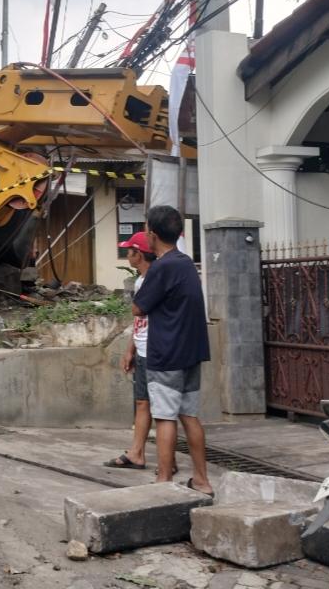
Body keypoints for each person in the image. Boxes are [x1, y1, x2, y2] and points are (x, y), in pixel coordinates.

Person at [133, 205, 213, 496]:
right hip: (192, 352)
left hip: (166, 353)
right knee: (189, 416)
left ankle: (164, 481)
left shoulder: (162, 267)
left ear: (152, 235)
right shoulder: (186, 263)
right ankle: (202, 481)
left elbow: (138, 307)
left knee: (165, 417)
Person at [104, 232, 158, 471]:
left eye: (130, 251)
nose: (127, 255)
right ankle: (137, 452)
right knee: (142, 402)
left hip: (155, 351)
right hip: (143, 348)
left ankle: (164, 459)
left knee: (161, 408)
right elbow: (139, 322)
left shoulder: (154, 281)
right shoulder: (139, 282)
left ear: (140, 254)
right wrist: (130, 350)